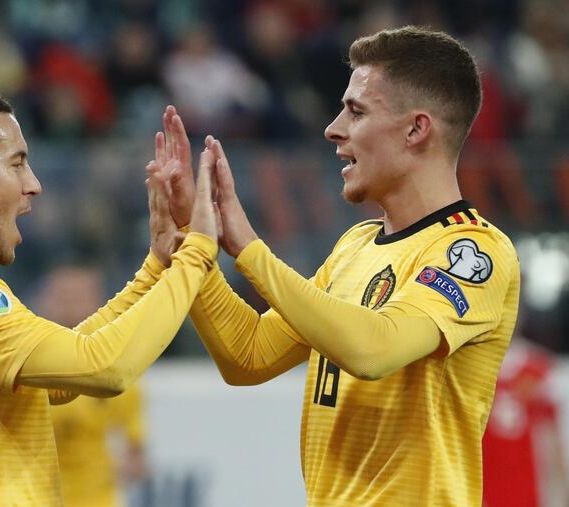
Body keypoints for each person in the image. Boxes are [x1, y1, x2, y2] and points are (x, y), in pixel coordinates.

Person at [147, 26, 520, 506]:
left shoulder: (475, 252)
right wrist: (192, 246)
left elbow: (374, 350)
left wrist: (250, 251)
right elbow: (249, 355)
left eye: (357, 111)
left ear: (416, 129)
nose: (333, 128)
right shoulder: (356, 246)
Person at [0, 85, 219, 506]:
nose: (34, 185)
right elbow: (105, 367)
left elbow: (71, 369)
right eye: (17, 164)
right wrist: (198, 250)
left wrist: (157, 268)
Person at [33, 265, 149, 507]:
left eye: (78, 298)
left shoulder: (114, 372)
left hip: (97, 500)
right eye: (63, 298)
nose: (70, 307)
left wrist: (123, 465)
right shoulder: (28, 369)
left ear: (97, 303)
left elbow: (136, 458)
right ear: (46, 301)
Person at [482, 336, 569, 507]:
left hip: (524, 480)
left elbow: (553, 437)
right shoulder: (536, 368)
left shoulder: (536, 370)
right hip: (491, 477)